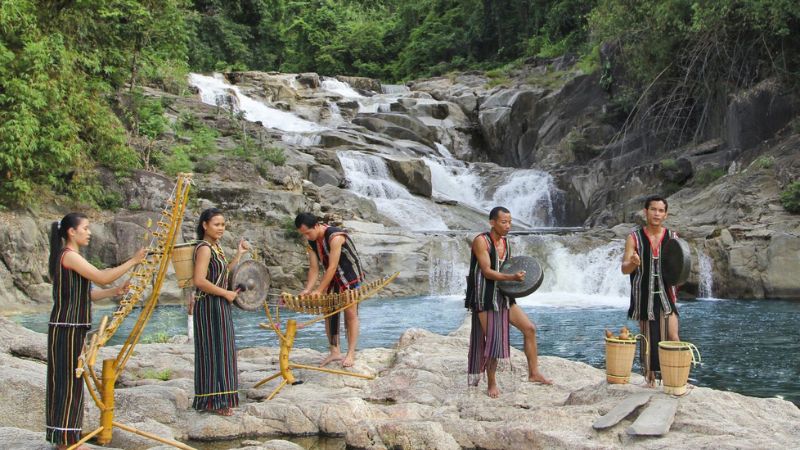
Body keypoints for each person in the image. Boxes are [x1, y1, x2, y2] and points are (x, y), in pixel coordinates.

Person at [46, 213, 146, 449]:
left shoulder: (71, 257)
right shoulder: (69, 256)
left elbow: (88, 294)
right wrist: (133, 261)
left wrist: (114, 292)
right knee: (67, 383)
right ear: (72, 232)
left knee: (72, 381)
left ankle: (67, 436)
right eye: (85, 228)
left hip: (72, 327)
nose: (89, 232)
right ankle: (65, 440)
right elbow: (102, 277)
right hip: (66, 328)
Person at [466, 206, 552, 398]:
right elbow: (487, 271)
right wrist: (512, 278)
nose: (508, 226)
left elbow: (510, 265)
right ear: (492, 222)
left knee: (529, 328)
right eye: (504, 222)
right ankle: (492, 383)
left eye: (510, 222)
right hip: (485, 298)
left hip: (503, 295)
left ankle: (534, 373)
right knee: (494, 340)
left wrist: (518, 279)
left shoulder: (506, 243)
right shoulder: (481, 241)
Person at [191, 208, 249, 416]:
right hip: (209, 305)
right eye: (217, 224)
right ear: (205, 225)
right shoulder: (204, 248)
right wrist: (225, 294)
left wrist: (239, 255)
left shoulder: (216, 247)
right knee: (213, 351)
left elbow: (223, 272)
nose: (221, 228)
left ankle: (218, 399)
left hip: (218, 305)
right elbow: (199, 281)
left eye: (223, 225)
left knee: (222, 350)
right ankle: (214, 401)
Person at [621, 195, 681, 387]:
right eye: (653, 209)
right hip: (643, 294)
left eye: (661, 210)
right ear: (645, 212)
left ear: (666, 214)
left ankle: (677, 377)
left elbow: (680, 266)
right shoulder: (634, 238)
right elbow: (624, 269)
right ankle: (650, 379)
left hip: (666, 294)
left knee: (673, 336)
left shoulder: (672, 237)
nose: (657, 213)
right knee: (647, 338)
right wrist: (633, 262)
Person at [295, 213, 365, 368]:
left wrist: (319, 290)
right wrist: (308, 289)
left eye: (308, 232)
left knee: (350, 313)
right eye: (303, 234)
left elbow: (333, 266)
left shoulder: (335, 237)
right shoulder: (312, 242)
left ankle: (351, 353)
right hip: (332, 276)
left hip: (349, 274)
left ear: (316, 226)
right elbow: (314, 268)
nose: (306, 236)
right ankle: (334, 351)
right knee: (329, 311)